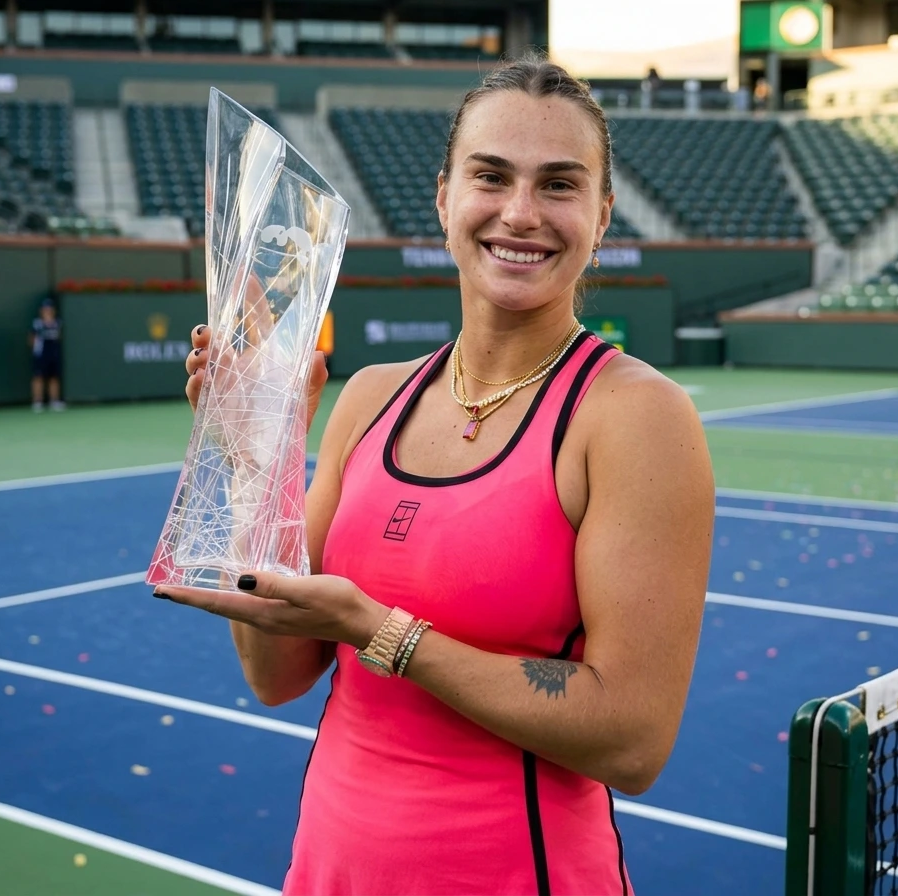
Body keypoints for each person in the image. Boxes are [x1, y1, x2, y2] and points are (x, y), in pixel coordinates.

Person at [156, 53, 715, 895]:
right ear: (444, 197)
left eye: (558, 185)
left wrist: (380, 632)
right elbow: (276, 675)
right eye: (491, 176)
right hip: (329, 872)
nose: (519, 213)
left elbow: (632, 741)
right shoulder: (370, 398)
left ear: (601, 216)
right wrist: (255, 456)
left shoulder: (634, 416)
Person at [29, 298, 64, 412]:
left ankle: (54, 401)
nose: (48, 311)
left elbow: (59, 337)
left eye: (50, 309)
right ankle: (37, 402)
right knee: (38, 377)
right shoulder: (37, 324)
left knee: (54, 378)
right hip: (41, 354)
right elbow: (31, 339)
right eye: (45, 309)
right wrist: (36, 350)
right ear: (41, 311)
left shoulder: (57, 323)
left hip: (54, 354)